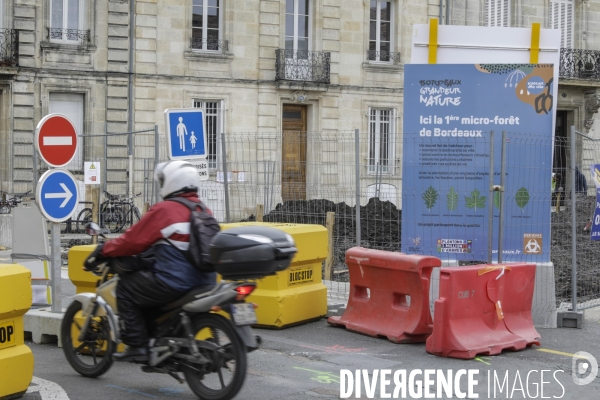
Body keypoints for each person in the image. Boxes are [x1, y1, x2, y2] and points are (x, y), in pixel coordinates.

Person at [97, 160, 216, 362]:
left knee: (126, 288)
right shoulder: (204, 210)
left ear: (172, 182)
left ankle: (137, 346)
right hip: (206, 282)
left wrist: (104, 249)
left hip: (175, 282)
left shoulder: (165, 210)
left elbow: (132, 240)